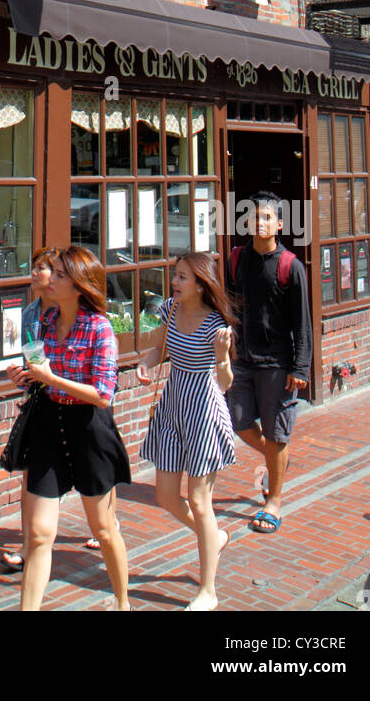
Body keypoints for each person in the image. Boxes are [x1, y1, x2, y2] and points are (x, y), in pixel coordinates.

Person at [9, 245, 131, 611]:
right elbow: (38, 372)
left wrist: (52, 377)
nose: (50, 279)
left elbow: (103, 394)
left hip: (88, 428)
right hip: (48, 423)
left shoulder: (100, 328)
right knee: (39, 532)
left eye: (60, 275)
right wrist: (25, 376)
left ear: (79, 286)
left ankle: (123, 602)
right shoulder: (44, 321)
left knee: (104, 529)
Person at [137, 254, 236, 611]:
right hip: (173, 404)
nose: (174, 283)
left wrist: (222, 357)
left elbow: (224, 383)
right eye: (174, 276)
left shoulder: (216, 325)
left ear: (200, 284)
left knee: (199, 500)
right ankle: (213, 535)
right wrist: (144, 363)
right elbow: (160, 347)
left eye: (181, 277)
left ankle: (208, 590)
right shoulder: (171, 310)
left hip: (203, 409)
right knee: (165, 495)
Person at [226, 191, 312, 535]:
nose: (258, 223)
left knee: (277, 434)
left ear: (278, 223)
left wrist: (300, 368)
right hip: (244, 359)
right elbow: (231, 302)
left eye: (266, 218)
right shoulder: (236, 259)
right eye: (253, 217)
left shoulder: (291, 266)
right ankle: (276, 458)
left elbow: (302, 322)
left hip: (278, 361)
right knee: (238, 420)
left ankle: (273, 501)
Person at [0, 246, 61, 572]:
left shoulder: (72, 313)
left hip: (74, 403)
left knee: (93, 478)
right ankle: (26, 547)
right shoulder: (28, 315)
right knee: (30, 478)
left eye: (43, 268)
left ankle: (107, 530)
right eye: (35, 266)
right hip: (42, 404)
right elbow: (31, 365)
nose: (35, 272)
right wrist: (20, 378)